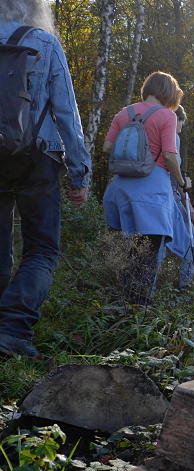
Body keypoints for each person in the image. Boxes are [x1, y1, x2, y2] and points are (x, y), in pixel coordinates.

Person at [0, 1, 91, 357]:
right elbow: (66, 112)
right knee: (41, 250)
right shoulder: (44, 42)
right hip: (36, 157)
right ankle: (11, 331)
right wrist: (78, 174)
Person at [103, 71, 185, 304]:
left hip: (121, 189)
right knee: (149, 254)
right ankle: (139, 311)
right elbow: (169, 155)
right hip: (152, 192)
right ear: (168, 92)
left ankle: (121, 306)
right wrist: (181, 181)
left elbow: (108, 147)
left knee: (129, 251)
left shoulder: (124, 113)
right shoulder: (167, 117)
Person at [157, 105, 194, 288]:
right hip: (169, 200)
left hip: (156, 198)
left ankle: (143, 291)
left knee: (157, 243)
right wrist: (184, 184)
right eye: (182, 122)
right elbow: (172, 170)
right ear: (177, 119)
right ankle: (185, 287)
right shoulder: (173, 136)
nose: (182, 126)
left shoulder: (155, 137)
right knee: (193, 244)